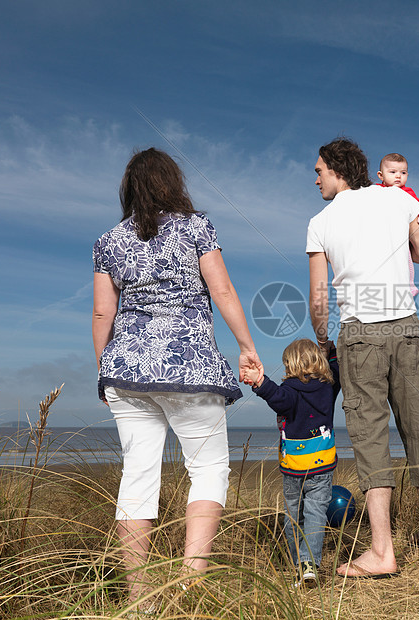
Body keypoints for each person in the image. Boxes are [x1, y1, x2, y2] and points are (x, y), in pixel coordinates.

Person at [92, 147, 263, 600]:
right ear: (173, 184)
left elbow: (100, 314)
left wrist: (104, 370)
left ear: (129, 190)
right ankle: (190, 581)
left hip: (127, 368)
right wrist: (247, 346)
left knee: (138, 476)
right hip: (189, 366)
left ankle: (139, 596)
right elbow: (221, 288)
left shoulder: (109, 241)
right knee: (207, 469)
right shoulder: (195, 226)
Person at [306, 137, 419, 579]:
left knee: (369, 433)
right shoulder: (395, 198)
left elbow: (317, 298)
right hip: (407, 325)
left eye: (318, 171)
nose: (316, 179)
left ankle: (382, 552)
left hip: (361, 333)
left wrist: (324, 339)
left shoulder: (320, 221)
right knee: (415, 420)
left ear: (336, 170)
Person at [243, 339, 340, 588]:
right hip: (322, 464)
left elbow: (275, 396)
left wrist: (258, 381)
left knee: (293, 516)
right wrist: (331, 352)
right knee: (316, 513)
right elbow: (337, 369)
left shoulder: (289, 389)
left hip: (294, 466)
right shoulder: (329, 386)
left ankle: (299, 563)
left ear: (290, 364)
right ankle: (310, 565)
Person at [377, 152, 419, 297]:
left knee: (405, 261)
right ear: (381, 175)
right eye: (393, 172)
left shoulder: (407, 192)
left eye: (403, 172)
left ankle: (409, 285)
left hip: (401, 236)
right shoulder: (376, 190)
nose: (398, 176)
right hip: (384, 232)